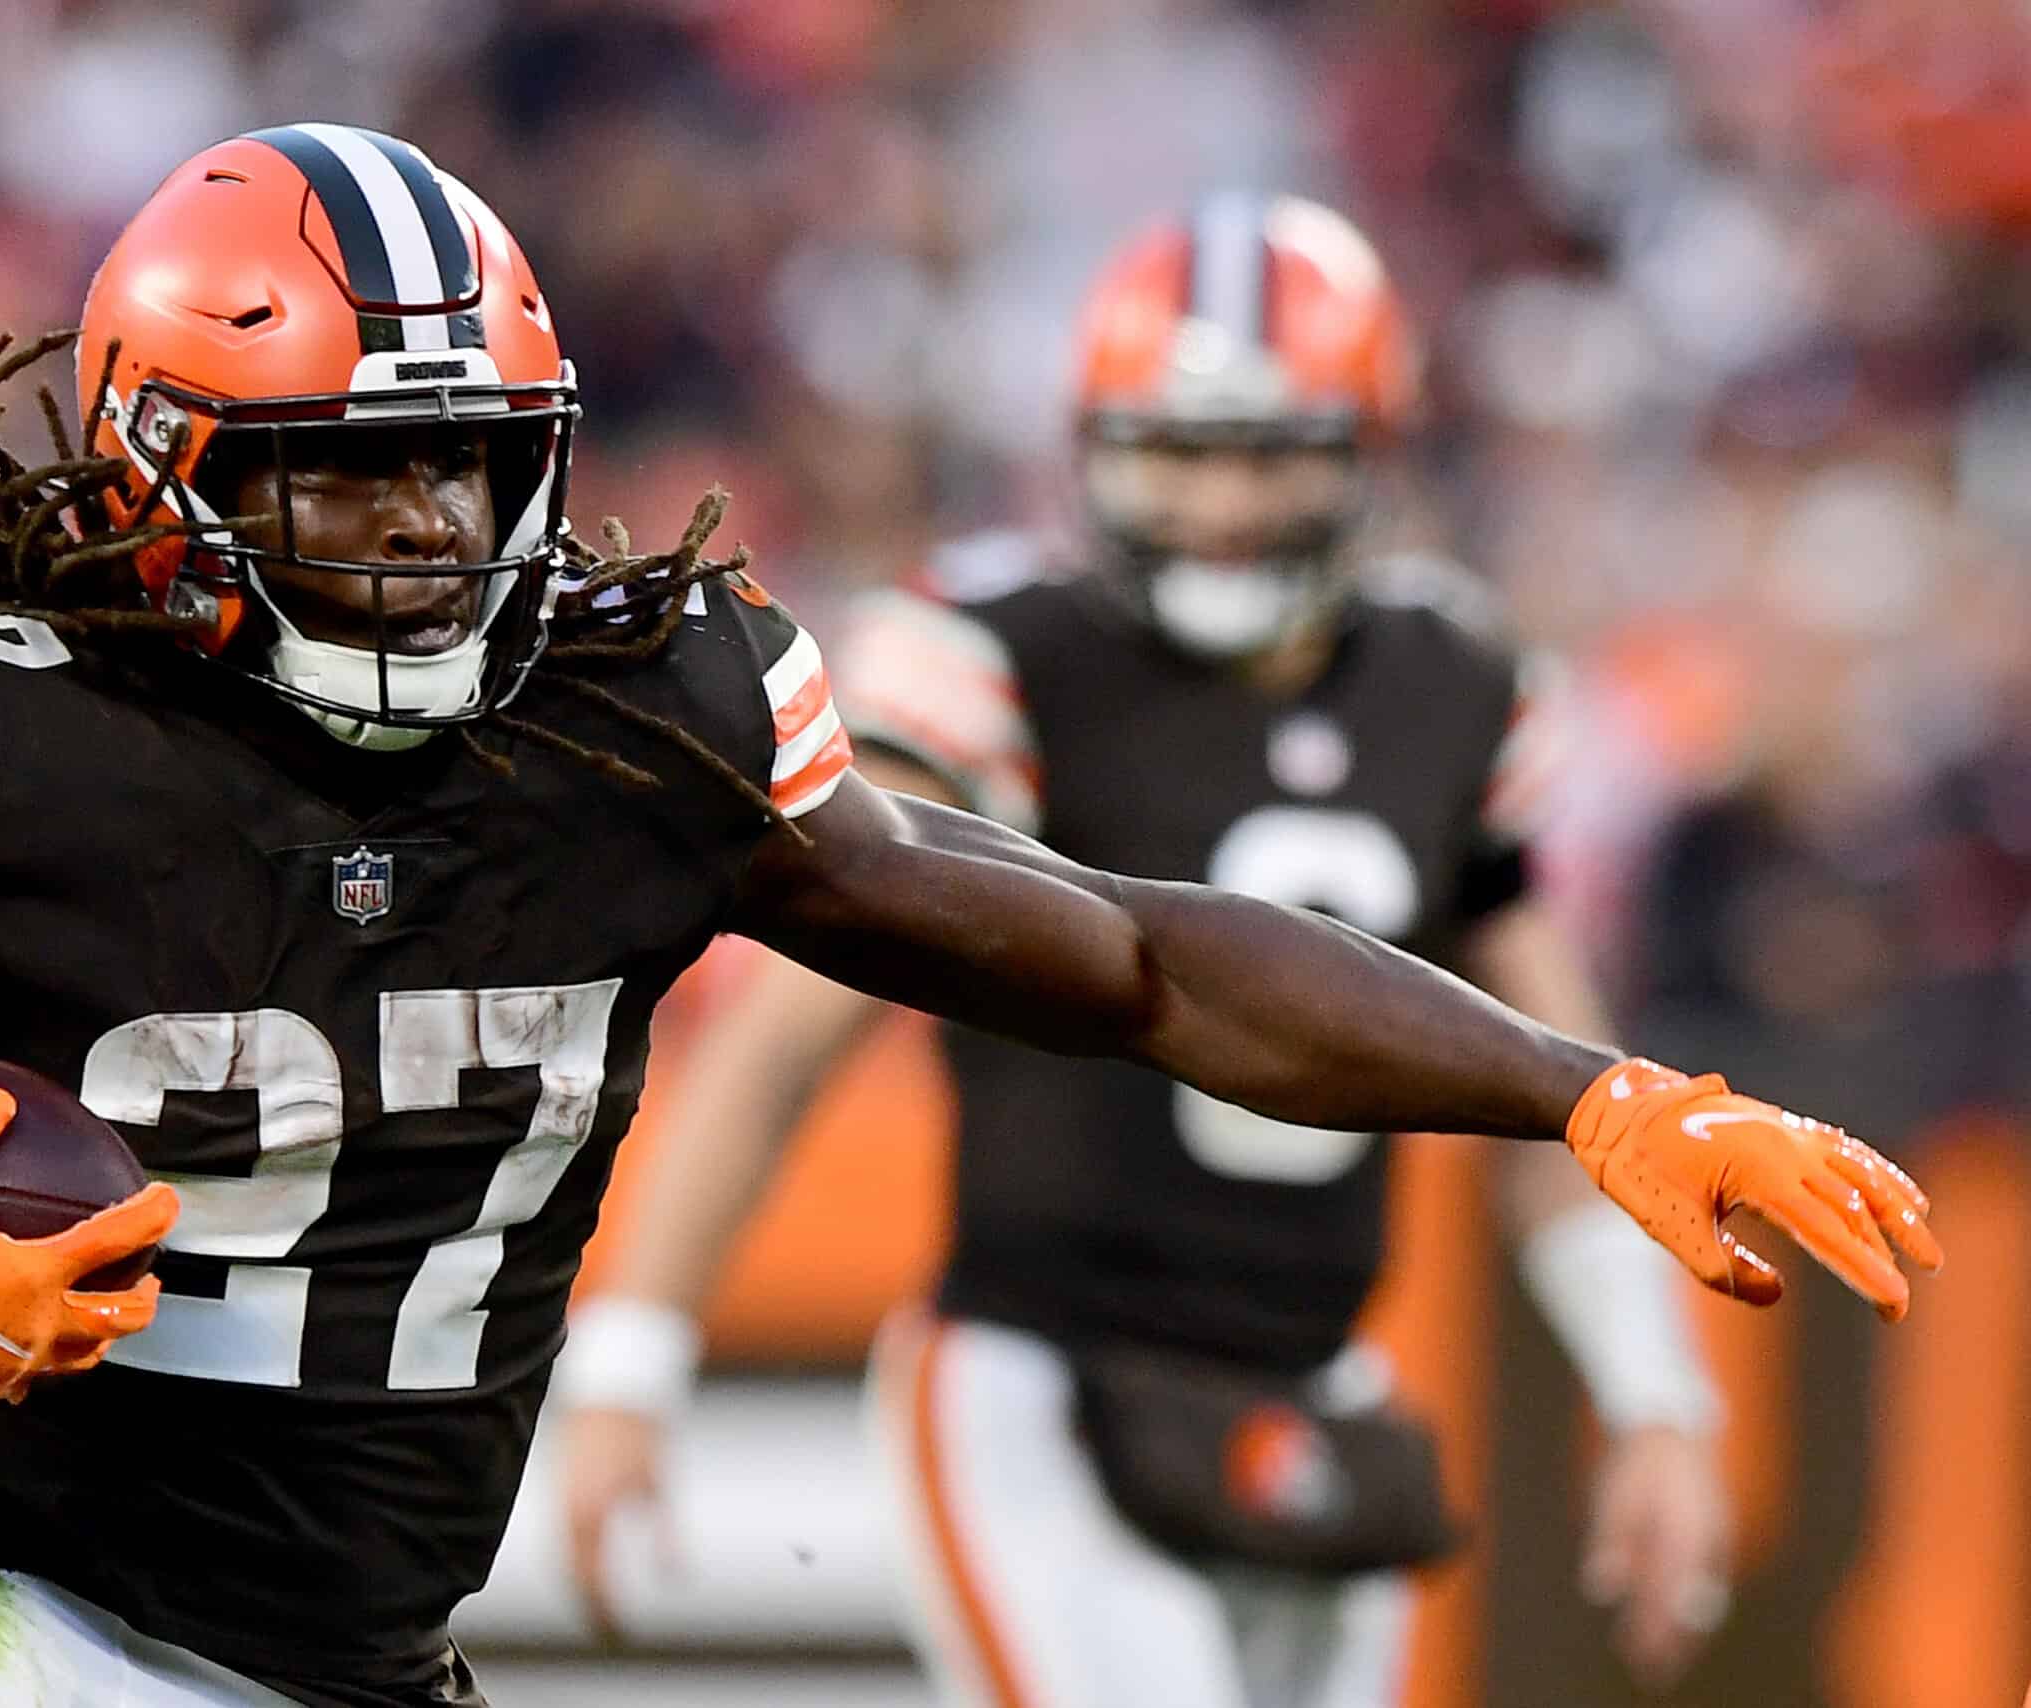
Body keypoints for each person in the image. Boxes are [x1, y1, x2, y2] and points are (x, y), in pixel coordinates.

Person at [0, 130, 1934, 1708]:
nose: (430, 539)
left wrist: (1586, 1086)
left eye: (472, 471)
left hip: (363, 1647)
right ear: (164, 486)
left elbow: (1135, 953)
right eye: (353, 485)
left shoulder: (637, 720)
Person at [556, 197, 1744, 1707]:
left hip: (1319, 1383)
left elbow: (1557, 1091)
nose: (1220, 504)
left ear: (1367, 452)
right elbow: (789, 1038)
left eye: (1268, 452)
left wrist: (1658, 1401)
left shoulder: (1451, 676)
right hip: (1039, 1375)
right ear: (1097, 452)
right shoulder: (1003, 655)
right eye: (1178, 450)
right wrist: (632, 1361)